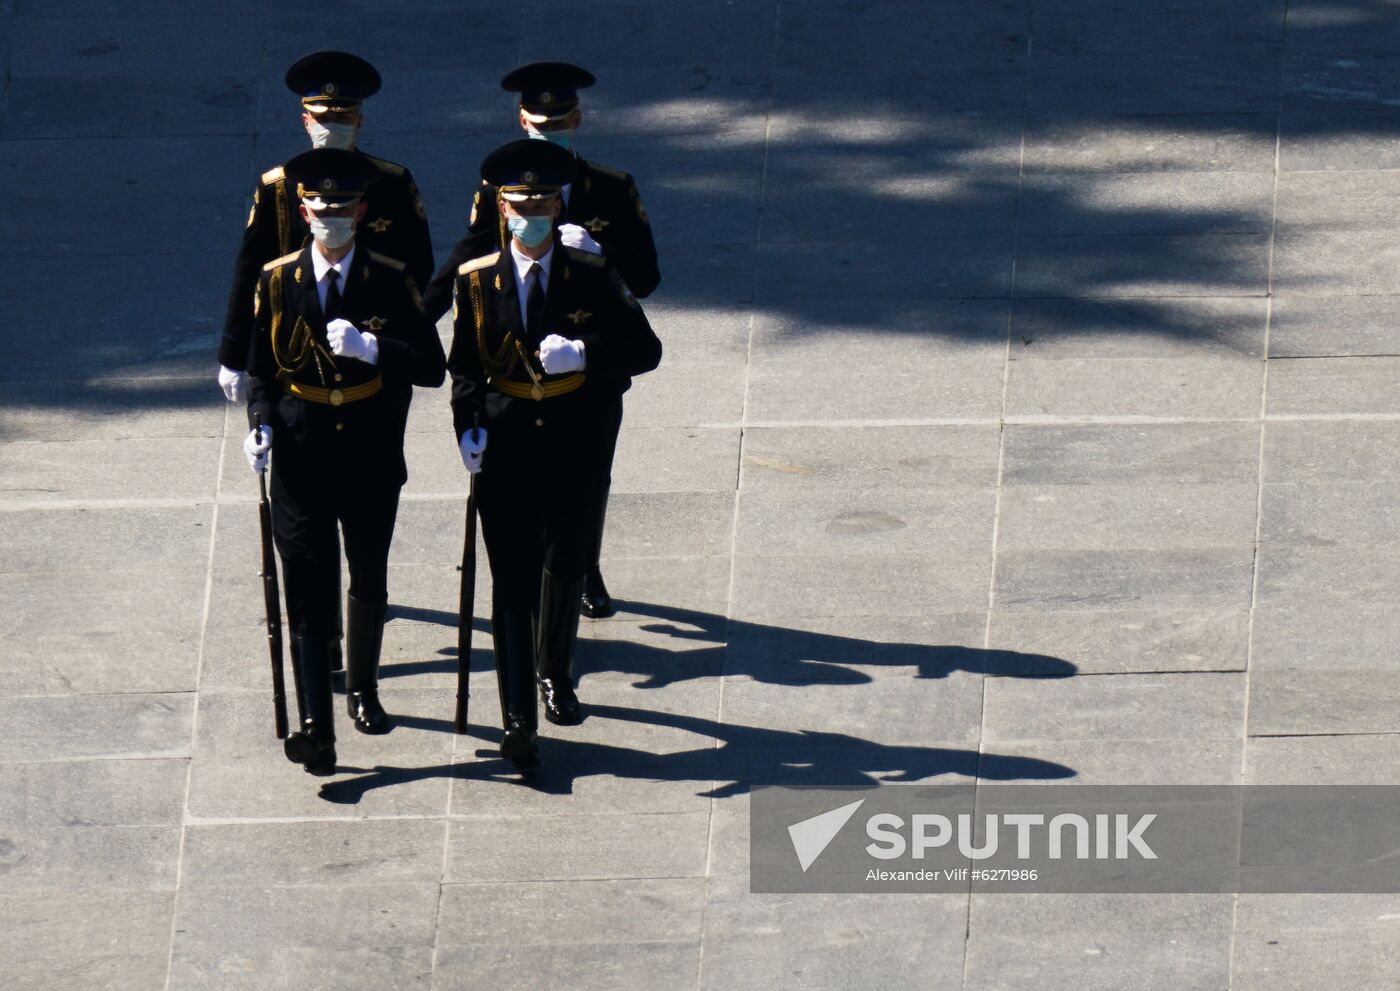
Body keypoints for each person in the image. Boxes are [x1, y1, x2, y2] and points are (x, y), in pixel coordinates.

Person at [446, 140, 662, 768]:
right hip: (507, 441)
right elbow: (465, 369)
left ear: (559, 203)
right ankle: (516, 717)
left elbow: (646, 350)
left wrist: (587, 354)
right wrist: (467, 427)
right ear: (501, 208)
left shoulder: (592, 272)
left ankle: (555, 674)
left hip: (577, 436)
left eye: (543, 200)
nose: (531, 211)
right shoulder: (477, 280)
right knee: (511, 580)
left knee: (567, 561)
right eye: (520, 202)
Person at [220, 50, 435, 670]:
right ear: (302, 117)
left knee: (369, 482)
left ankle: (364, 609)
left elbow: (418, 272)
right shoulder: (280, 185)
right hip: (294, 357)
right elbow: (249, 274)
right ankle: (324, 630)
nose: (331, 124)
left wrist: (397, 340)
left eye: (343, 115)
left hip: (370, 355)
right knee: (306, 512)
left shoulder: (391, 183)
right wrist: (235, 353)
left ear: (361, 121)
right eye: (321, 114)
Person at [426, 61, 660, 621]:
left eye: (558, 119)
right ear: (521, 119)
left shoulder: (611, 188)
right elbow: (472, 251)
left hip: (591, 364)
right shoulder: (501, 188)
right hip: (519, 357)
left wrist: (603, 257)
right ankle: (564, 569)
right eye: (536, 119)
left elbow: (647, 278)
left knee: (590, 473)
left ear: (576, 120)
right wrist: (419, 313)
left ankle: (585, 566)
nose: (546, 128)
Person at [243, 148, 446, 775]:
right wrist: (259, 425)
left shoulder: (389, 277)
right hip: (302, 457)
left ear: (361, 211)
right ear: (303, 211)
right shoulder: (278, 280)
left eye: (342, 208)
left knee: (367, 571)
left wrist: (374, 347)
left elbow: (432, 367)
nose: (330, 217)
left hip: (367, 449)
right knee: (304, 583)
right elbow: (262, 370)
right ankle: (316, 728)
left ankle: (363, 690)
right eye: (319, 207)